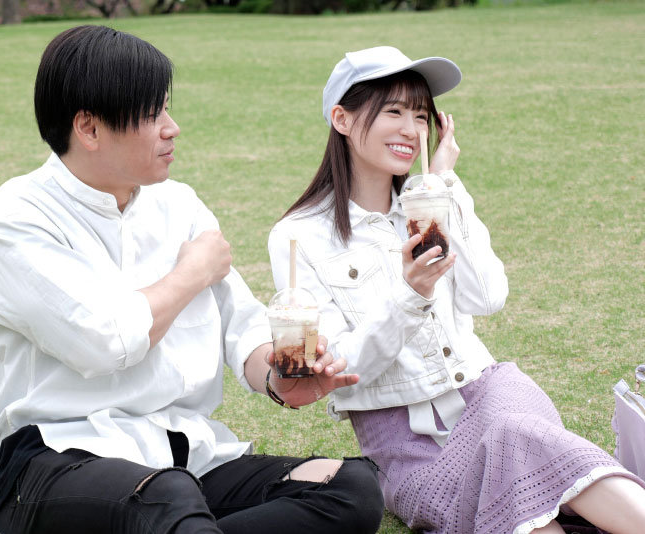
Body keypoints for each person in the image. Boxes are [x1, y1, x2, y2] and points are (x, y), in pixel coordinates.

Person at [0, 26, 384, 534]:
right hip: (53, 461)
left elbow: (241, 326)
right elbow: (104, 340)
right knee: (168, 498)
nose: (172, 128)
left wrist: (280, 377)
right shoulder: (16, 219)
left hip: (180, 455)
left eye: (167, 109)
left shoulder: (178, 204)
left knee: (350, 487)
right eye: (152, 114)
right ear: (89, 129)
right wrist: (192, 273)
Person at [268, 46, 645, 534]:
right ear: (342, 119)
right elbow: (341, 368)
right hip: (406, 445)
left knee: (514, 436)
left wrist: (444, 186)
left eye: (420, 115)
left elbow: (487, 298)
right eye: (394, 112)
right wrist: (410, 295)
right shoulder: (299, 236)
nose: (412, 130)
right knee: (520, 489)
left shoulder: (431, 199)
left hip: (491, 394)